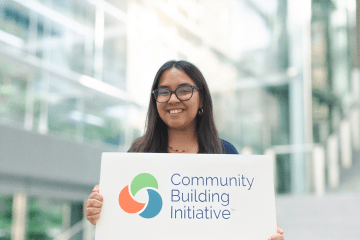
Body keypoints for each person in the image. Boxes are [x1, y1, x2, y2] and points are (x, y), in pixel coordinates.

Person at [85, 60, 284, 240]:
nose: (172, 99)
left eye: (183, 90)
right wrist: (101, 213)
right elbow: (124, 223)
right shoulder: (139, 153)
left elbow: (240, 220)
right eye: (163, 92)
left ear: (202, 99)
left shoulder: (225, 152)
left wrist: (263, 233)